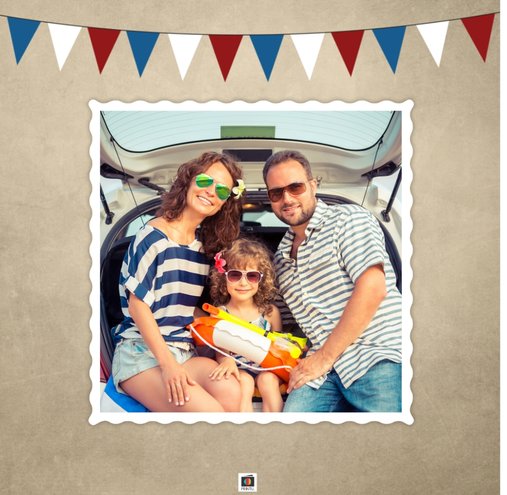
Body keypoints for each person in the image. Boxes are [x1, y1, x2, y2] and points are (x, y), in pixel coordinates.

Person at [263, 150, 402, 412]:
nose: (287, 198)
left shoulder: (348, 219)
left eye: (295, 187)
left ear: (313, 185)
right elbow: (278, 320)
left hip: (377, 355)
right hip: (322, 372)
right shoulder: (280, 258)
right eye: (276, 193)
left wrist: (324, 358)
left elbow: (373, 289)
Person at [110, 151, 246, 412]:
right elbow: (138, 306)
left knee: (231, 391)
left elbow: (187, 311)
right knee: (212, 414)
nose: (211, 192)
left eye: (221, 190)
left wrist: (225, 353)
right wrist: (168, 366)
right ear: (189, 181)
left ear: (224, 203)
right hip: (141, 353)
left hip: (183, 350)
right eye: (205, 181)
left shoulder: (201, 249)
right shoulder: (153, 236)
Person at [206, 238, 286, 412]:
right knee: (245, 381)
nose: (243, 283)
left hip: (268, 369)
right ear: (223, 278)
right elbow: (219, 349)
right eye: (235, 275)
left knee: (267, 380)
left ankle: (277, 424)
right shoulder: (220, 313)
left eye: (252, 276)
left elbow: (278, 346)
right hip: (238, 369)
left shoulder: (269, 313)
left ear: (261, 280)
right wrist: (226, 360)